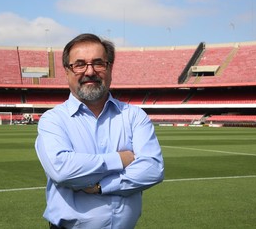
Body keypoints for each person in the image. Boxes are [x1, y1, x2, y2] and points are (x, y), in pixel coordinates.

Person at [35, 33, 164, 229]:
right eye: (79, 64)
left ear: (110, 67)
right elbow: (62, 170)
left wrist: (100, 187)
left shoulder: (134, 116)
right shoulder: (53, 120)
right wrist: (120, 159)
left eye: (98, 63)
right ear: (67, 71)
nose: (90, 71)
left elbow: (153, 169)